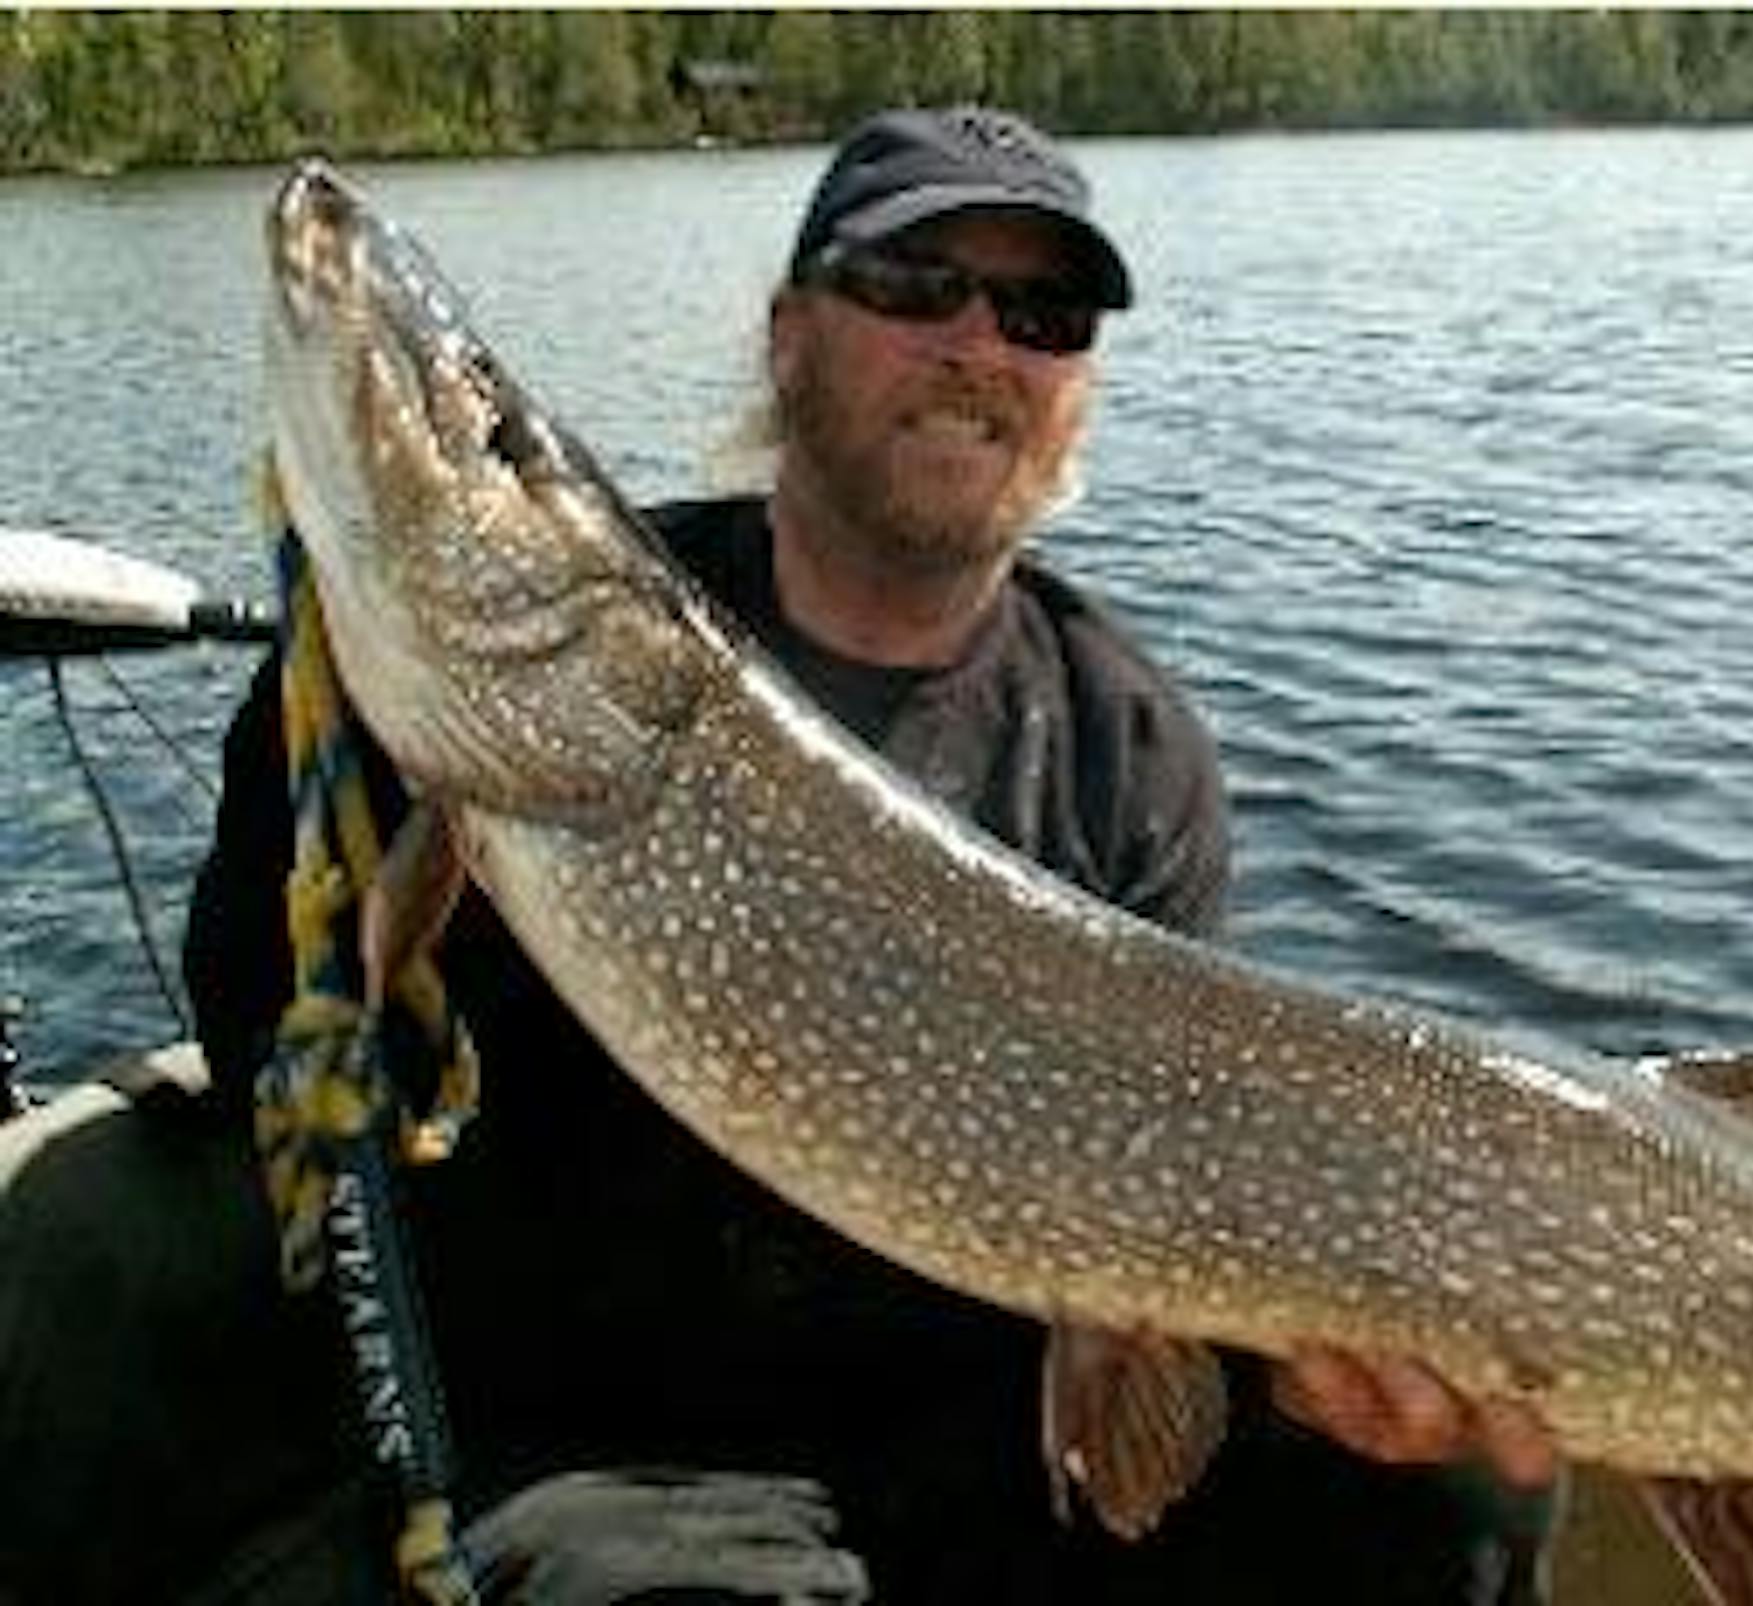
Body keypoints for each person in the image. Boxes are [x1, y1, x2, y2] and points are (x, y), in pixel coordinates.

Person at [77, 106, 1558, 1602]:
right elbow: (280, 1030)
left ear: (1075, 391)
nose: (979, 344)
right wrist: (333, 729)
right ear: (789, 337)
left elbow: (1160, 1223)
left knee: (1450, 1511)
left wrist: (1321, 1376)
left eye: (1040, 314)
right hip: (597, 1442)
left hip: (966, 1443)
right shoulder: (595, 646)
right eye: (915, 285)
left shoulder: (1127, 747)